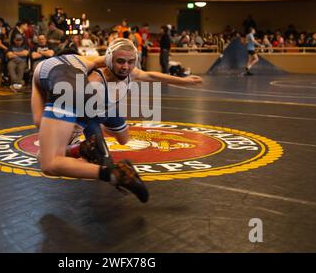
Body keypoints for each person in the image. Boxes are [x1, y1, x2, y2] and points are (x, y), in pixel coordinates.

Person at [31, 38, 203, 202]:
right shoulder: (91, 74)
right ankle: (86, 151)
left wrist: (184, 81)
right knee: (57, 154)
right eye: (121, 62)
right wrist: (74, 129)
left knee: (48, 159)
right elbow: (79, 106)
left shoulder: (44, 69)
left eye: (130, 62)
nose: (125, 67)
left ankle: (87, 153)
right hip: (91, 111)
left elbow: (39, 120)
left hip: (102, 107)